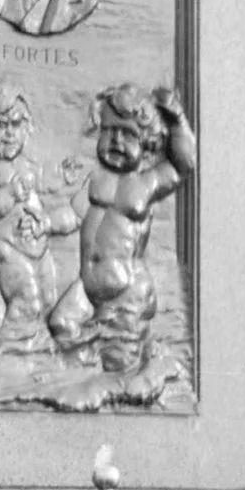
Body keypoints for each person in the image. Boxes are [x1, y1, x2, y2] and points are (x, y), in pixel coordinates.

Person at [48, 82, 195, 374]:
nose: (116, 141)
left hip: (126, 289)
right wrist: (45, 224)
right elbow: (73, 215)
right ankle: (84, 377)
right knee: (60, 324)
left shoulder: (146, 183)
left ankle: (128, 375)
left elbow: (183, 166)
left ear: (148, 143)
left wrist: (177, 120)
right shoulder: (96, 181)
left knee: (120, 360)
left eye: (128, 134)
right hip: (87, 285)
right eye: (109, 130)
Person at [0, 77, 79, 340]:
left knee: (47, 298)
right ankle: (9, 346)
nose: (10, 133)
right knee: (26, 300)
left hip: (38, 245)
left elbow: (42, 182)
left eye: (16, 124)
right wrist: (10, 193)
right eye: (1, 125)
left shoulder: (25, 162)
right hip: (9, 247)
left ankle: (37, 346)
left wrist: (60, 177)